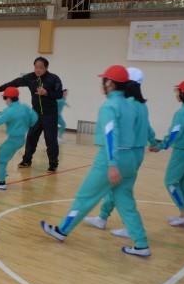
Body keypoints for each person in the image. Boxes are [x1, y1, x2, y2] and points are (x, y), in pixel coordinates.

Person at [40, 65, 151, 257]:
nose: (102, 84)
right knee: (125, 202)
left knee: (85, 196)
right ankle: (141, 244)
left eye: (104, 80)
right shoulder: (130, 105)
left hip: (111, 159)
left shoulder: (110, 106)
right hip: (130, 159)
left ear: (110, 83)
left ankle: (62, 230)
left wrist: (112, 163)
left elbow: (110, 134)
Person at [84, 67, 157, 234]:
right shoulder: (142, 104)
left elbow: (117, 131)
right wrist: (153, 142)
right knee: (118, 188)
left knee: (121, 190)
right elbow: (148, 128)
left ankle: (128, 227)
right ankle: (102, 217)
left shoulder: (127, 104)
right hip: (137, 152)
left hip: (126, 152)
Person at [149, 80, 184, 227]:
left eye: (177, 91)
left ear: (183, 93)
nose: (176, 93)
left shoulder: (182, 113)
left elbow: (174, 133)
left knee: (170, 182)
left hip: (183, 151)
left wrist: (160, 146)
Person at [0, 57, 63, 172]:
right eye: (36, 67)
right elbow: (16, 82)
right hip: (35, 114)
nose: (38, 70)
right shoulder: (30, 77)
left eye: (41, 67)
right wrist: (0, 88)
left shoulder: (53, 79)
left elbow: (59, 94)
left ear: (46, 67)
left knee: (50, 140)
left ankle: (53, 164)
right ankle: (26, 160)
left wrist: (46, 93)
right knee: (31, 138)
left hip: (50, 115)